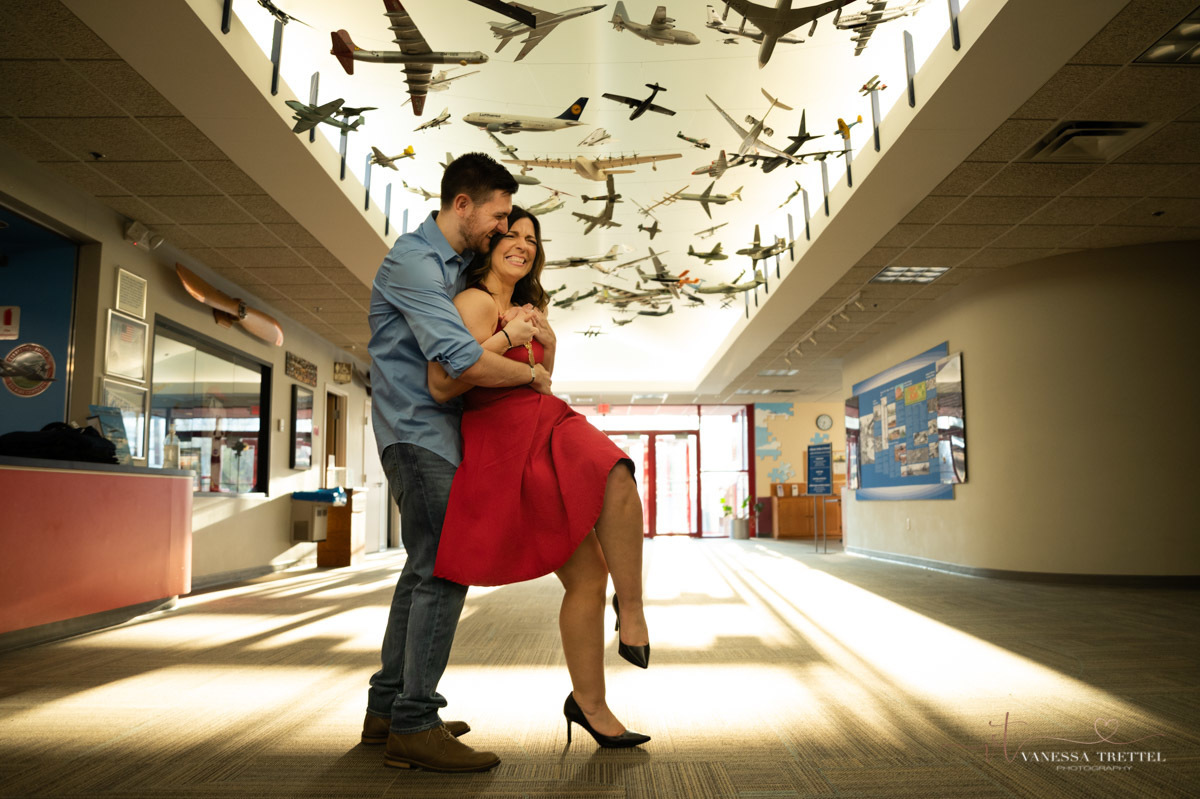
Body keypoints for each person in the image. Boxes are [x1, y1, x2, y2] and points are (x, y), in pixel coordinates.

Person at [427, 206, 652, 749]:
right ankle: (630, 620)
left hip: (542, 422)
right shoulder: (474, 301)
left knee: (610, 508)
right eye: (512, 234)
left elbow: (544, 382)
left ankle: (594, 696)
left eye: (532, 238)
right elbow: (454, 375)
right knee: (606, 502)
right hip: (504, 438)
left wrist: (546, 340)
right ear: (489, 244)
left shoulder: (528, 303)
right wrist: (512, 339)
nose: (523, 244)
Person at [365, 154, 552, 773]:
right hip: (418, 432)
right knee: (447, 570)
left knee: (421, 573)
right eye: (500, 216)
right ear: (463, 205)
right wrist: (531, 371)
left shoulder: (447, 267)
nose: (504, 229)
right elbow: (456, 364)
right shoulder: (417, 264)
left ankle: (389, 710)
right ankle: (415, 723)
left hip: (430, 435)